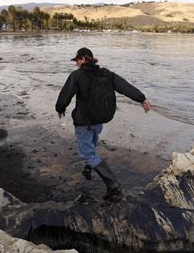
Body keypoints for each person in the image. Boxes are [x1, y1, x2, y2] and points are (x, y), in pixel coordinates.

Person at [55, 47, 151, 201]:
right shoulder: (106, 74)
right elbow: (124, 87)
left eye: (77, 60)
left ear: (84, 59)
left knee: (88, 154)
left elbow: (65, 95)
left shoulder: (77, 76)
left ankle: (113, 185)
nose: (76, 64)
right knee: (92, 144)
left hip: (83, 122)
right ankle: (89, 167)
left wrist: (60, 109)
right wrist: (142, 99)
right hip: (99, 120)